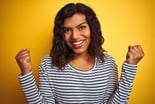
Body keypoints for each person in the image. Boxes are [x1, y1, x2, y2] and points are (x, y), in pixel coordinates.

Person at [15, 3, 144, 104]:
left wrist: (130, 67)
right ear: (61, 34)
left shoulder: (108, 63)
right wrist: (26, 73)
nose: (75, 36)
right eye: (67, 30)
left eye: (81, 27)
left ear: (92, 29)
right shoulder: (48, 64)